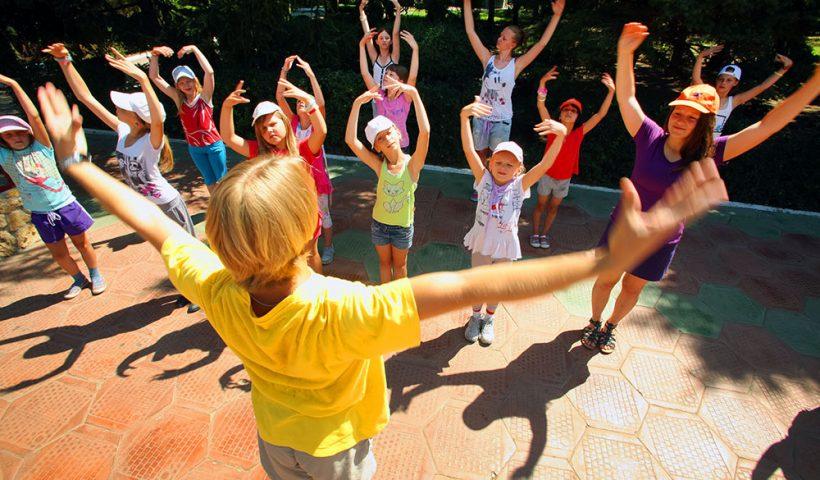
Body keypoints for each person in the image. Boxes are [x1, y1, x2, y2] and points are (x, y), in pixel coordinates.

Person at [39, 80, 727, 480]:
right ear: (310, 230)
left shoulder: (212, 283)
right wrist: (602, 262)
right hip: (337, 451)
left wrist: (79, 165)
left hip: (273, 439)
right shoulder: (346, 309)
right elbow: (471, 290)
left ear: (218, 237)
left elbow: (157, 227)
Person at [584, 23, 820, 354]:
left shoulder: (712, 152)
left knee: (632, 287)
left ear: (705, 124)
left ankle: (611, 326)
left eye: (691, 117)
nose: (680, 120)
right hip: (623, 226)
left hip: (661, 239)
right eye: (678, 113)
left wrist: (812, 87)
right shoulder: (649, 136)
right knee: (606, 278)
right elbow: (627, 97)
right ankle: (594, 321)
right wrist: (625, 53)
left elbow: (767, 125)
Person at [44, 43, 200, 313]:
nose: (117, 108)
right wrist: (64, 61)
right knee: (169, 253)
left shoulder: (152, 140)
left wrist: (142, 79)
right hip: (146, 208)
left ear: (139, 120)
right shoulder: (123, 131)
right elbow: (86, 98)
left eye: (124, 107)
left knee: (189, 251)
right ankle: (187, 289)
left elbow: (158, 120)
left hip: (167, 204)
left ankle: (198, 292)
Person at [459, 97, 567, 345]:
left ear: (518, 169)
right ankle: (475, 317)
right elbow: (469, 150)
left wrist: (560, 136)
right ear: (490, 163)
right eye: (498, 162)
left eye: (510, 164)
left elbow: (545, 164)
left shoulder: (520, 185)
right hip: (482, 240)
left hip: (505, 244)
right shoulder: (483, 178)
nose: (503, 167)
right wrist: (464, 118)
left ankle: (489, 318)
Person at [0, 73, 105, 299]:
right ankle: (78, 279)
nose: (16, 137)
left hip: (66, 205)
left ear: (28, 132)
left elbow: (34, 116)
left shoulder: (42, 146)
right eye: (9, 135)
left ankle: (96, 274)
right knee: (59, 254)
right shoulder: (5, 157)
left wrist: (13, 83)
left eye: (19, 132)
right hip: (41, 213)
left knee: (83, 244)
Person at [219, 78, 327, 273]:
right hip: (277, 217)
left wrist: (309, 101)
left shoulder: (302, 149)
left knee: (310, 254)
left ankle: (318, 288)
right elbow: (229, 138)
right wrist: (227, 107)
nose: (269, 130)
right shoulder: (259, 152)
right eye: (263, 128)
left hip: (305, 214)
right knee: (286, 260)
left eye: (273, 124)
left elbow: (321, 131)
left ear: (285, 122)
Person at [462, 0, 565, 201]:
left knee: (497, 157)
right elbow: (470, 32)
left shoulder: (516, 65)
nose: (499, 39)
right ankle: (481, 185)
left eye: (504, 37)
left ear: (513, 44)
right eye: (500, 36)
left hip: (501, 120)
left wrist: (556, 16)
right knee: (479, 153)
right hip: (481, 116)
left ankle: (494, 190)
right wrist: (467, 3)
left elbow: (541, 44)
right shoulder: (487, 59)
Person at [345, 85, 429, 283]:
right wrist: (357, 103)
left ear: (398, 132)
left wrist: (414, 94)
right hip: (379, 225)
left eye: (389, 132)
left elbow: (425, 132)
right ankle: (385, 299)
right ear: (377, 147)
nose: (387, 139)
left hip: (402, 228)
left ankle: (399, 301)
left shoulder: (412, 165)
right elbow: (350, 140)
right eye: (381, 138)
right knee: (384, 264)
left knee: (400, 266)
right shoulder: (379, 166)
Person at [530, 68, 615, 249]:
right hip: (547, 174)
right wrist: (542, 83)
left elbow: (600, 115)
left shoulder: (579, 133)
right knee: (540, 205)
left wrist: (611, 92)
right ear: (560, 114)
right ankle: (535, 233)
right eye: (566, 109)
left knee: (553, 208)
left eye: (574, 111)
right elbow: (541, 106)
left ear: (577, 117)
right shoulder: (552, 128)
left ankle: (544, 235)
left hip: (564, 178)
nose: (569, 112)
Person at [276, 55, 335, 265]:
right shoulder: (292, 122)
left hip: (316, 180)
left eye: (304, 101)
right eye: (299, 101)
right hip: (296, 179)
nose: (301, 103)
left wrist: (310, 74)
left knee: (324, 215)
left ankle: (328, 246)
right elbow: (280, 97)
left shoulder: (317, 124)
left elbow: (321, 103)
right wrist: (284, 70)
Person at [149, 44, 227, 193]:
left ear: (195, 80)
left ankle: (227, 205)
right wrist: (154, 55)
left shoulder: (204, 97)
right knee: (209, 180)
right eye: (181, 82)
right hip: (195, 148)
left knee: (222, 180)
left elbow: (209, 72)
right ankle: (216, 205)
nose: (186, 85)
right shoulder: (179, 100)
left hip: (214, 146)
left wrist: (195, 49)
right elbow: (154, 77)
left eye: (188, 80)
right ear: (177, 86)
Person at [692, 44, 793, 136]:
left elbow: (762, 87)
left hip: (712, 146)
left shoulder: (733, 101)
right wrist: (700, 56)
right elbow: (696, 79)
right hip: (693, 142)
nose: (723, 83)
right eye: (721, 79)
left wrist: (784, 69)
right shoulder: (707, 94)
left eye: (729, 80)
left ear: (735, 83)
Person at [359, 29, 419, 152]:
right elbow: (365, 73)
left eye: (391, 74)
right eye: (386, 73)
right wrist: (361, 45)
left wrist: (415, 49)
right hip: (383, 147)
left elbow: (412, 77)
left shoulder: (405, 98)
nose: (386, 76)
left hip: (402, 147)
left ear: (400, 81)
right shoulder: (380, 96)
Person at [358, 0, 403, 90]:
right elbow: (367, 33)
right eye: (381, 38)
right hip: (375, 97)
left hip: (390, 97)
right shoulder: (374, 57)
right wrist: (361, 10)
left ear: (391, 41)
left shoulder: (394, 57)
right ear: (377, 42)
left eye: (387, 38)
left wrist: (398, 8)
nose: (384, 40)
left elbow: (395, 33)